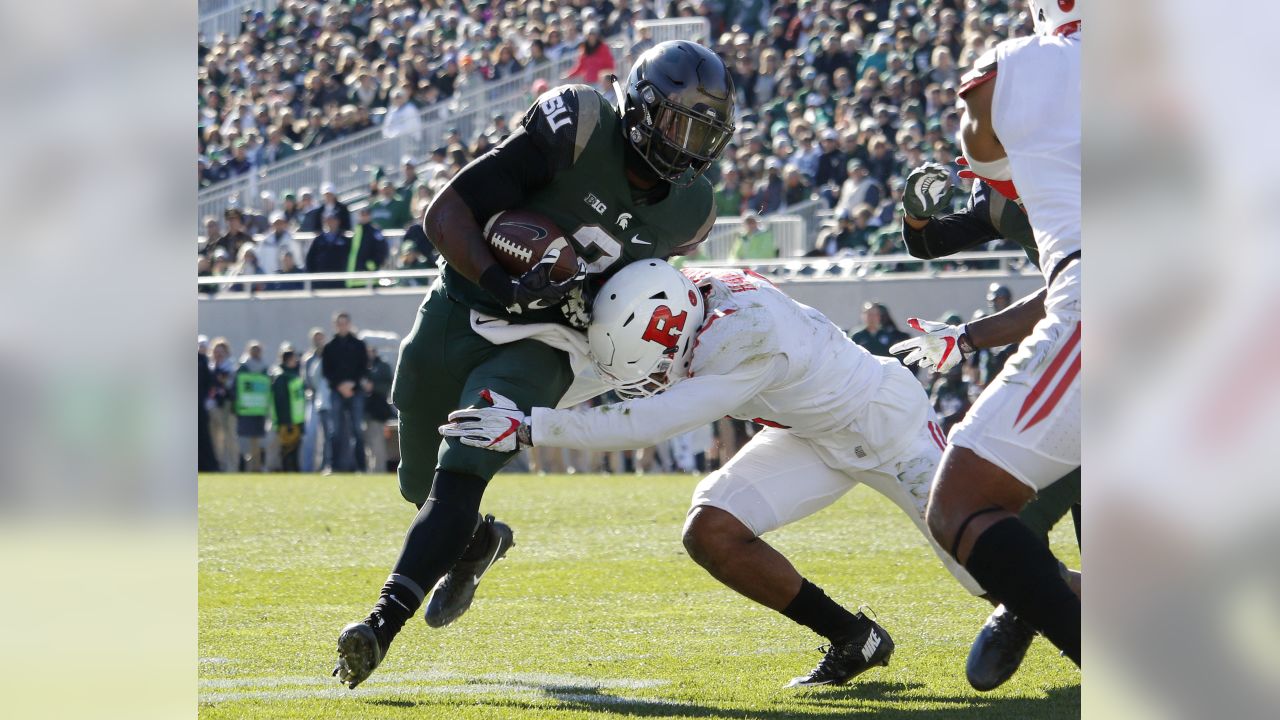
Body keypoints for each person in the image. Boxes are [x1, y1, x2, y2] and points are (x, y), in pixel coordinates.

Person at [332, 41, 735, 690]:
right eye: (678, 124)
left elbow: (645, 295)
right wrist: (502, 277)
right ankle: (478, 542)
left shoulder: (694, 209)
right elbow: (447, 213)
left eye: (704, 133)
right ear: (638, 108)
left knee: (463, 463)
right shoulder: (579, 127)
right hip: (463, 305)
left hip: (549, 342)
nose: (689, 147)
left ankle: (379, 626)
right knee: (418, 485)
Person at [441, 262, 986, 687]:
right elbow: (613, 365)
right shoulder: (678, 297)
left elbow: (650, 420)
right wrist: (523, 400)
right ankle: (854, 638)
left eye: (658, 364)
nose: (652, 376)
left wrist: (531, 427)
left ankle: (1063, 623)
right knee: (711, 529)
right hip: (811, 433)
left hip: (886, 424)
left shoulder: (745, 335)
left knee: (988, 573)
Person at [903, 1, 1083, 671]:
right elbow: (935, 240)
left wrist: (968, 337)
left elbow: (989, 151)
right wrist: (916, 222)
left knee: (968, 504)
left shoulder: (1012, 75)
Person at [323, 313, 368, 473]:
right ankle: (332, 466)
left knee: (357, 429)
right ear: (335, 325)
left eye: (345, 323)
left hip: (355, 392)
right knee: (334, 430)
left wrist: (352, 384)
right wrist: (340, 386)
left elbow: (363, 368)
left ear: (349, 324)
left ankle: (361, 467)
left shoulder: (358, 345)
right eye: (339, 323)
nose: (342, 326)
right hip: (336, 392)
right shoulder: (329, 347)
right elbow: (327, 371)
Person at [233, 341, 271, 472]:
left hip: (258, 410)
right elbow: (235, 388)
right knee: (244, 441)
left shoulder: (265, 368)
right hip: (245, 409)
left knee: (257, 441)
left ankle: (256, 467)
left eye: (258, 349)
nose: (255, 352)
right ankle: (244, 467)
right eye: (253, 349)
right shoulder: (242, 367)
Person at [271, 345, 306, 472]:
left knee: (295, 449)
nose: (296, 361)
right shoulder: (281, 377)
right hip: (288, 421)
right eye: (293, 358)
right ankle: (286, 470)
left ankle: (294, 469)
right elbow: (281, 402)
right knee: (287, 449)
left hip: (297, 419)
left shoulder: (294, 375)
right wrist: (286, 421)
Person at [301, 329, 332, 474]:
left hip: (326, 401)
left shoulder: (329, 356)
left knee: (326, 436)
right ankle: (307, 468)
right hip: (313, 400)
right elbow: (307, 380)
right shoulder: (308, 359)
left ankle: (324, 465)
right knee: (310, 435)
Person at [362, 343, 395, 473]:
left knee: (378, 443)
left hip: (378, 411)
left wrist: (373, 387)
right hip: (366, 411)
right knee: (369, 443)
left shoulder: (383, 366)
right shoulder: (365, 367)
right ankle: (371, 469)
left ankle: (379, 469)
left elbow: (387, 386)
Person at [208, 338, 238, 471]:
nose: (218, 354)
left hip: (227, 406)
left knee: (230, 437)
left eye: (221, 352)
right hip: (212, 406)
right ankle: (218, 465)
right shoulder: (210, 368)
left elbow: (230, 386)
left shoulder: (231, 368)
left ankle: (232, 466)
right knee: (215, 437)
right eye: (216, 351)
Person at [305, 214, 352, 289]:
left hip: (340, 280)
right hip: (321, 281)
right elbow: (310, 260)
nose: (331, 222)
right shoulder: (318, 240)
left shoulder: (345, 240)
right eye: (329, 220)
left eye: (333, 220)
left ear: (338, 222)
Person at [198, 337, 219, 472]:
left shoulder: (204, 361)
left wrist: (208, 399)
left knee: (203, 436)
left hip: (200, 405)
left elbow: (211, 383)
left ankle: (206, 466)